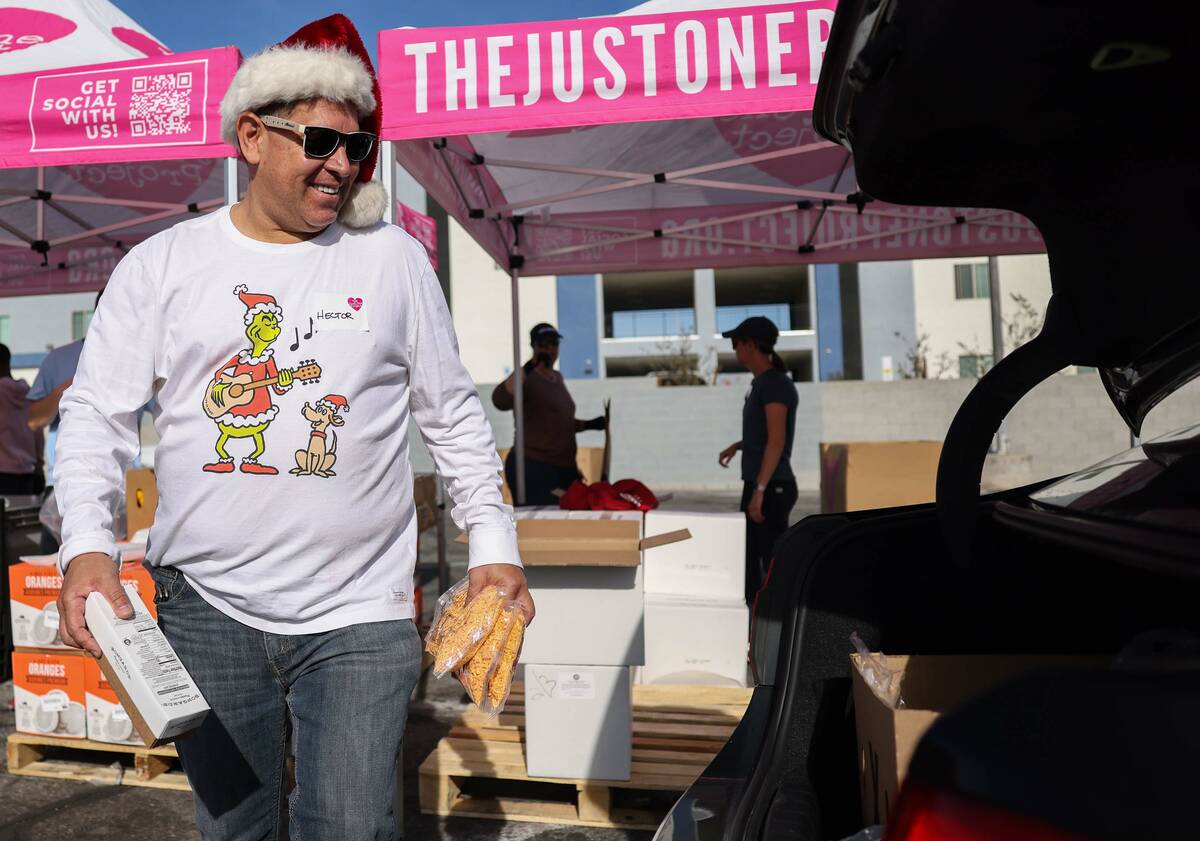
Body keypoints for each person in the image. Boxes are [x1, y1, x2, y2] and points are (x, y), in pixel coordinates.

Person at [52, 15, 533, 841]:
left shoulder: (394, 261)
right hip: (206, 606)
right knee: (237, 827)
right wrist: (86, 545)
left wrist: (495, 548)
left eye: (358, 147)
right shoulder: (164, 265)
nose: (341, 165)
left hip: (361, 611)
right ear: (251, 135)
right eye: (320, 141)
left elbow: (451, 412)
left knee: (348, 825)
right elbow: (96, 411)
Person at [717, 317, 799, 605]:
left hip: (772, 487)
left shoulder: (775, 384)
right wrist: (739, 445)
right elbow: (765, 435)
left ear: (751, 345)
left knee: (768, 570)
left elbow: (776, 441)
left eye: (736, 342)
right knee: (751, 564)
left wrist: (760, 491)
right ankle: (753, 628)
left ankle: (773, 628)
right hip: (760, 483)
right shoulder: (762, 383)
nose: (734, 348)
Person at [492, 323, 605, 505]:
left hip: (564, 468)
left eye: (554, 343)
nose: (550, 348)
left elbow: (559, 422)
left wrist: (591, 424)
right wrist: (529, 367)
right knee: (544, 524)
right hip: (535, 467)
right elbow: (499, 399)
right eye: (544, 343)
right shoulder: (526, 377)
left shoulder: (557, 378)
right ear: (534, 346)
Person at [0, 343, 42, 495]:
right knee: (22, 517)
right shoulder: (28, 393)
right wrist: (39, 467)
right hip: (27, 473)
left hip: (3, 472)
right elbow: (37, 430)